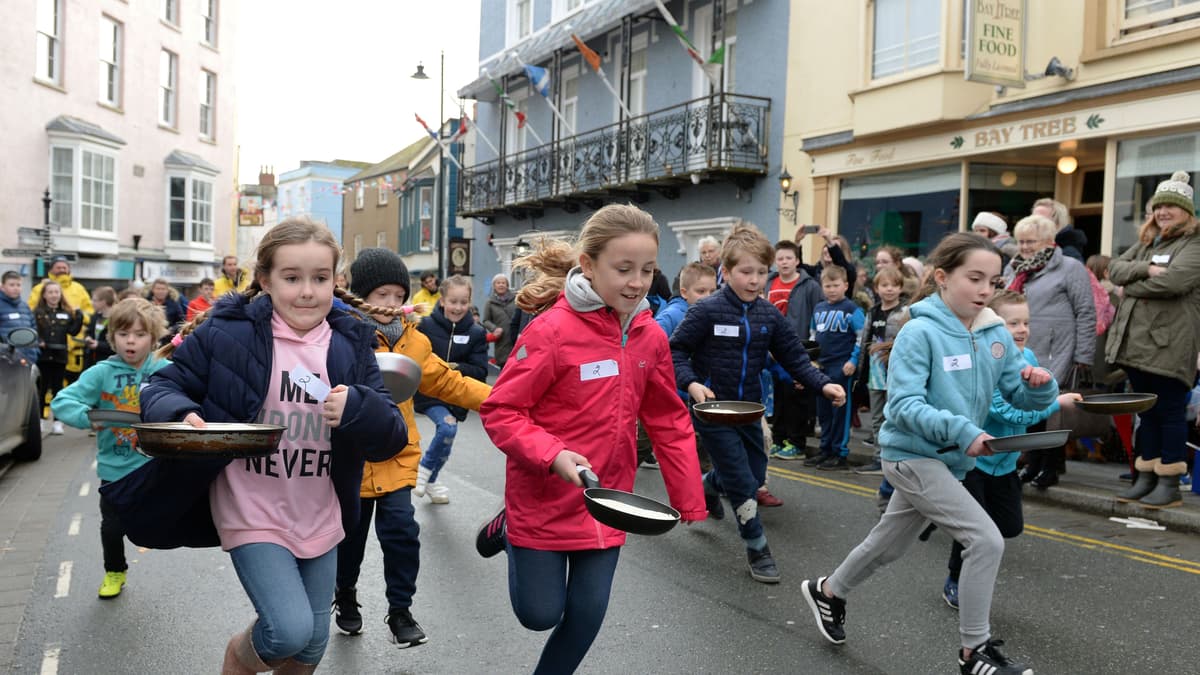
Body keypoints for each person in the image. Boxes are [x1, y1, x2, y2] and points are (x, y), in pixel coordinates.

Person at [137, 218, 408, 673]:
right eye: (292, 278)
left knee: (312, 644)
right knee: (287, 630)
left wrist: (358, 407)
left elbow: (391, 437)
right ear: (265, 280)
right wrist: (180, 413)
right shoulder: (229, 332)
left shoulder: (352, 341)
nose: (307, 291)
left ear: (336, 281)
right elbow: (162, 384)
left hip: (320, 508)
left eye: (320, 279)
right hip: (251, 506)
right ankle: (236, 660)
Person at [800, 231, 1057, 675]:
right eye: (974, 278)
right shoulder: (919, 331)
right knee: (985, 539)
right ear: (941, 277)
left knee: (887, 545)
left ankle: (828, 591)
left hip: (950, 459)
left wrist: (1041, 385)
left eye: (993, 281)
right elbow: (903, 406)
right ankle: (974, 652)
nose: (984, 290)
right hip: (912, 456)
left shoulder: (994, 331)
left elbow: (1017, 393)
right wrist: (963, 431)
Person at [474, 204, 707, 674]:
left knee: (585, 615)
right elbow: (501, 410)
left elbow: (668, 419)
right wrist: (554, 454)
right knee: (541, 614)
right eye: (623, 269)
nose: (637, 282)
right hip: (542, 497)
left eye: (647, 270)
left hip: (606, 499)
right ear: (589, 266)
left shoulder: (650, 337)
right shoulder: (552, 331)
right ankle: (506, 527)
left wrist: (689, 497)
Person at [671, 222, 846, 584]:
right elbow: (675, 351)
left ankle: (708, 484)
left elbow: (795, 358)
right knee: (741, 480)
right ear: (727, 271)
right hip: (712, 410)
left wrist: (823, 384)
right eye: (745, 272)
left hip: (750, 409)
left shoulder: (769, 315)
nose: (754, 280)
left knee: (752, 473)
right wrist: (691, 384)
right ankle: (756, 545)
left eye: (761, 272)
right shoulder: (707, 310)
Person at [332, 248, 490, 648]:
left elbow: (448, 382)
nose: (391, 304)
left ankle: (400, 611)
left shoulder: (414, 342)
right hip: (350, 456)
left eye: (398, 295)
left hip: (396, 453)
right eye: (381, 294)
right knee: (349, 537)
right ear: (360, 294)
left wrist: (501, 399)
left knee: (402, 532)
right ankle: (345, 595)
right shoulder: (339, 334)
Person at [940, 290, 1081, 609]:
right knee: (976, 533)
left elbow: (1036, 397)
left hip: (1006, 461)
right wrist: (1055, 404)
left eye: (1026, 322)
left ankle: (956, 527)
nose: (1021, 329)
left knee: (1009, 526)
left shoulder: (1027, 358)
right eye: (1012, 322)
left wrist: (1048, 393)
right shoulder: (983, 360)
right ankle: (956, 579)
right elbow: (1007, 413)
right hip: (976, 459)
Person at [50, 298, 170, 598]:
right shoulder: (101, 372)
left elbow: (190, 398)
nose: (131, 341)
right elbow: (63, 401)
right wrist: (88, 418)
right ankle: (115, 571)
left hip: (157, 466)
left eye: (140, 334)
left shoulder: (165, 369)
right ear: (112, 336)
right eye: (123, 334)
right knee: (112, 527)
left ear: (153, 337)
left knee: (161, 519)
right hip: (115, 467)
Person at [1107, 171, 1200, 509]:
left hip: (1171, 343)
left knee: (1171, 412)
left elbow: (1173, 283)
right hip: (1139, 345)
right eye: (1159, 207)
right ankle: (1144, 476)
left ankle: (1169, 482)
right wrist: (1145, 270)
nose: (1163, 213)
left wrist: (1129, 285)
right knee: (1147, 414)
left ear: (1186, 211)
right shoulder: (1150, 241)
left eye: (1170, 208)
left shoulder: (1195, 242)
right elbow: (1114, 268)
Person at [1005, 214, 1095, 488]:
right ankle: (1032, 463)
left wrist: (1084, 355)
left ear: (1048, 241)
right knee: (1028, 405)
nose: (1024, 247)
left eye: (1030, 241)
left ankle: (1050, 467)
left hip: (1059, 349)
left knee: (1053, 411)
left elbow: (1086, 312)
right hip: (1024, 346)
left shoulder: (1069, 267)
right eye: (1020, 241)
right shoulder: (1014, 268)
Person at [413, 275, 490, 503]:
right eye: (453, 301)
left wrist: (455, 367)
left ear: (469, 302)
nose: (458, 307)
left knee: (447, 442)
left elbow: (480, 371)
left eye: (463, 302)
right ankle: (424, 470)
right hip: (428, 393)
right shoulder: (425, 325)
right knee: (447, 428)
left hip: (457, 395)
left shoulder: (476, 333)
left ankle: (432, 482)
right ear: (443, 300)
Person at [802, 266, 865, 471]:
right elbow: (812, 336)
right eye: (827, 286)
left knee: (840, 411)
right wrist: (810, 360)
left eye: (836, 285)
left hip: (842, 366)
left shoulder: (852, 309)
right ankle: (825, 449)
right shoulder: (819, 308)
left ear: (846, 286)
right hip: (821, 366)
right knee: (824, 412)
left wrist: (853, 361)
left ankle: (840, 453)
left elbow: (861, 337)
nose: (831, 289)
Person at [766, 241, 823, 461]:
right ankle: (779, 439)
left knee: (797, 396)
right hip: (773, 349)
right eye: (780, 258)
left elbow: (817, 319)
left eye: (789, 258)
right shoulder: (769, 282)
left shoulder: (810, 286)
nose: (784, 262)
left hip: (798, 348)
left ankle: (797, 443)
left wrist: (812, 353)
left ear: (797, 261)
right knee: (779, 397)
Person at [854, 267, 907, 473]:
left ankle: (896, 459)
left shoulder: (906, 312)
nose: (889, 289)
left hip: (897, 373)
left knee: (895, 417)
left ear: (900, 288)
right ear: (876, 288)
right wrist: (862, 372)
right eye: (884, 285)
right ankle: (879, 458)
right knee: (877, 418)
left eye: (894, 285)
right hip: (875, 375)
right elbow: (865, 341)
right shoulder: (872, 311)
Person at [29, 255, 93, 381]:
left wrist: (78, 317)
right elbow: (32, 315)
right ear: (51, 269)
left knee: (71, 383)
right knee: (46, 384)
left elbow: (90, 313)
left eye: (64, 267)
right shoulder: (39, 289)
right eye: (58, 267)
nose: (62, 269)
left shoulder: (79, 289)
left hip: (74, 347)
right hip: (47, 348)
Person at [34, 280, 84, 435]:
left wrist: (79, 317)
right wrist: (39, 341)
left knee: (58, 389)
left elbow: (73, 331)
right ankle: (41, 420)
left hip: (60, 356)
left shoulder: (67, 312)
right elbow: (33, 330)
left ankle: (57, 422)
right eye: (50, 292)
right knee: (42, 389)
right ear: (44, 295)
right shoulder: (37, 312)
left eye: (56, 292)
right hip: (43, 356)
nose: (54, 295)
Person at [0, 271, 40, 363]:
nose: (16, 288)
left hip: (27, 359)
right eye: (12, 285)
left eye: (18, 285)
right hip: (5, 360)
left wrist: (35, 351)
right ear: (2, 287)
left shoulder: (25, 306)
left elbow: (33, 330)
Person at [1032, 197, 1086, 262]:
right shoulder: (1030, 248)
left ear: (1057, 222)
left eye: (1040, 219)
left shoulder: (1068, 252)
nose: (1033, 223)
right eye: (1032, 219)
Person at [482, 273, 517, 368]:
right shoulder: (490, 303)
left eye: (503, 283)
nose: (501, 285)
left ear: (507, 285)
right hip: (502, 341)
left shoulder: (516, 300)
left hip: (516, 339)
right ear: (494, 286)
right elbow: (485, 321)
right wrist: (494, 329)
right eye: (498, 283)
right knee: (504, 366)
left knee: (517, 364)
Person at [83, 286, 118, 369]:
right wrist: (87, 338)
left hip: (108, 362)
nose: (92, 302)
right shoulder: (95, 317)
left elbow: (117, 343)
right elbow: (89, 331)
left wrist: (99, 345)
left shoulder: (116, 319)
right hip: (92, 361)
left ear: (104, 301)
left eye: (95, 300)